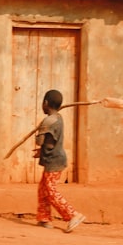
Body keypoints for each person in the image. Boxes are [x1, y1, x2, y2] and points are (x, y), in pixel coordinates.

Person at [32, 89, 86, 232]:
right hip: (55, 158)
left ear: (46, 103)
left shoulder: (48, 121)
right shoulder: (58, 118)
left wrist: (39, 132)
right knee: (43, 189)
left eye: (43, 103)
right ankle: (44, 218)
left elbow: (40, 141)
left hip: (53, 161)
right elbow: (50, 142)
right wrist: (41, 151)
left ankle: (73, 215)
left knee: (51, 191)